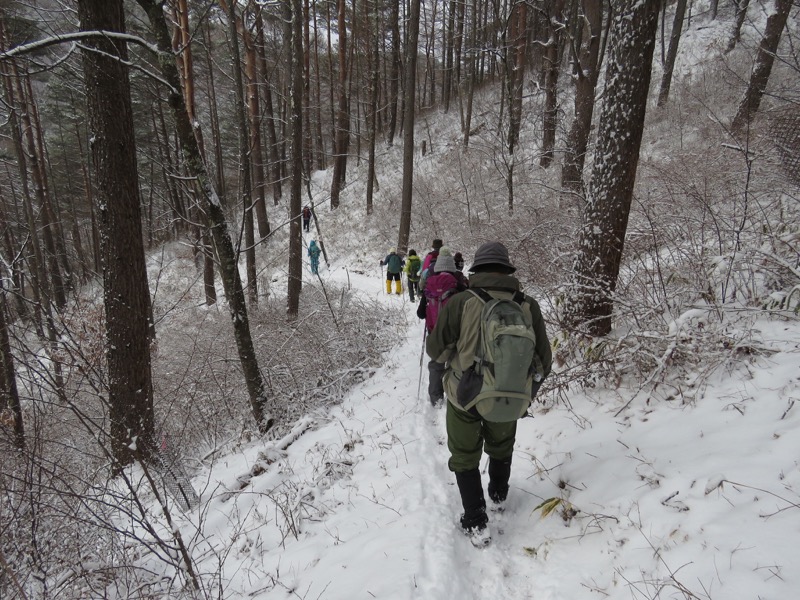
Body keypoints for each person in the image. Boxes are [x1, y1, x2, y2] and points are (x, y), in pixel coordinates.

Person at [425, 241, 552, 543]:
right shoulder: (528, 305)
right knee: (501, 445)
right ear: (507, 270)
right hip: (509, 394)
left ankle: (476, 520)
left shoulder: (461, 301)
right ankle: (498, 494)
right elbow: (544, 362)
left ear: (476, 270)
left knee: (465, 455)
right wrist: (524, 390)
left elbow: (437, 352)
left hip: (464, 395)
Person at [418, 247, 467, 406]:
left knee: (436, 363)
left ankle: (436, 397)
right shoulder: (459, 281)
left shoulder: (429, 283)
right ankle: (457, 394)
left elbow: (420, 313)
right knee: (457, 362)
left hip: (434, 331)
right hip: (456, 329)